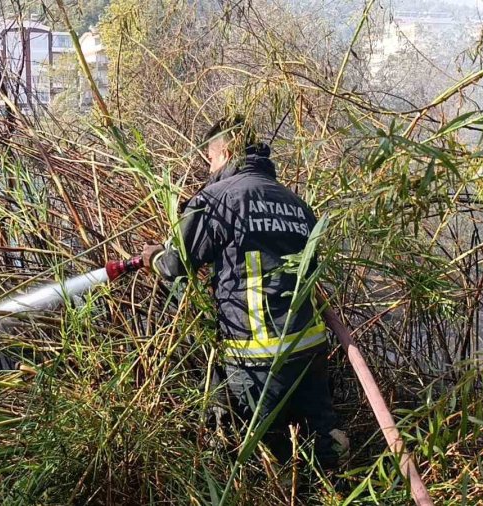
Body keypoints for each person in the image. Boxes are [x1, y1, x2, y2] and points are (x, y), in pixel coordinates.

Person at [142, 115, 348, 467]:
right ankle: (337, 485)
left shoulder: (217, 199)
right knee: (322, 442)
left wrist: (153, 257)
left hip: (258, 355)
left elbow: (176, 265)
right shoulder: (295, 202)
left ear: (224, 153)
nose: (209, 168)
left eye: (210, 159)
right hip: (310, 348)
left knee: (263, 454)